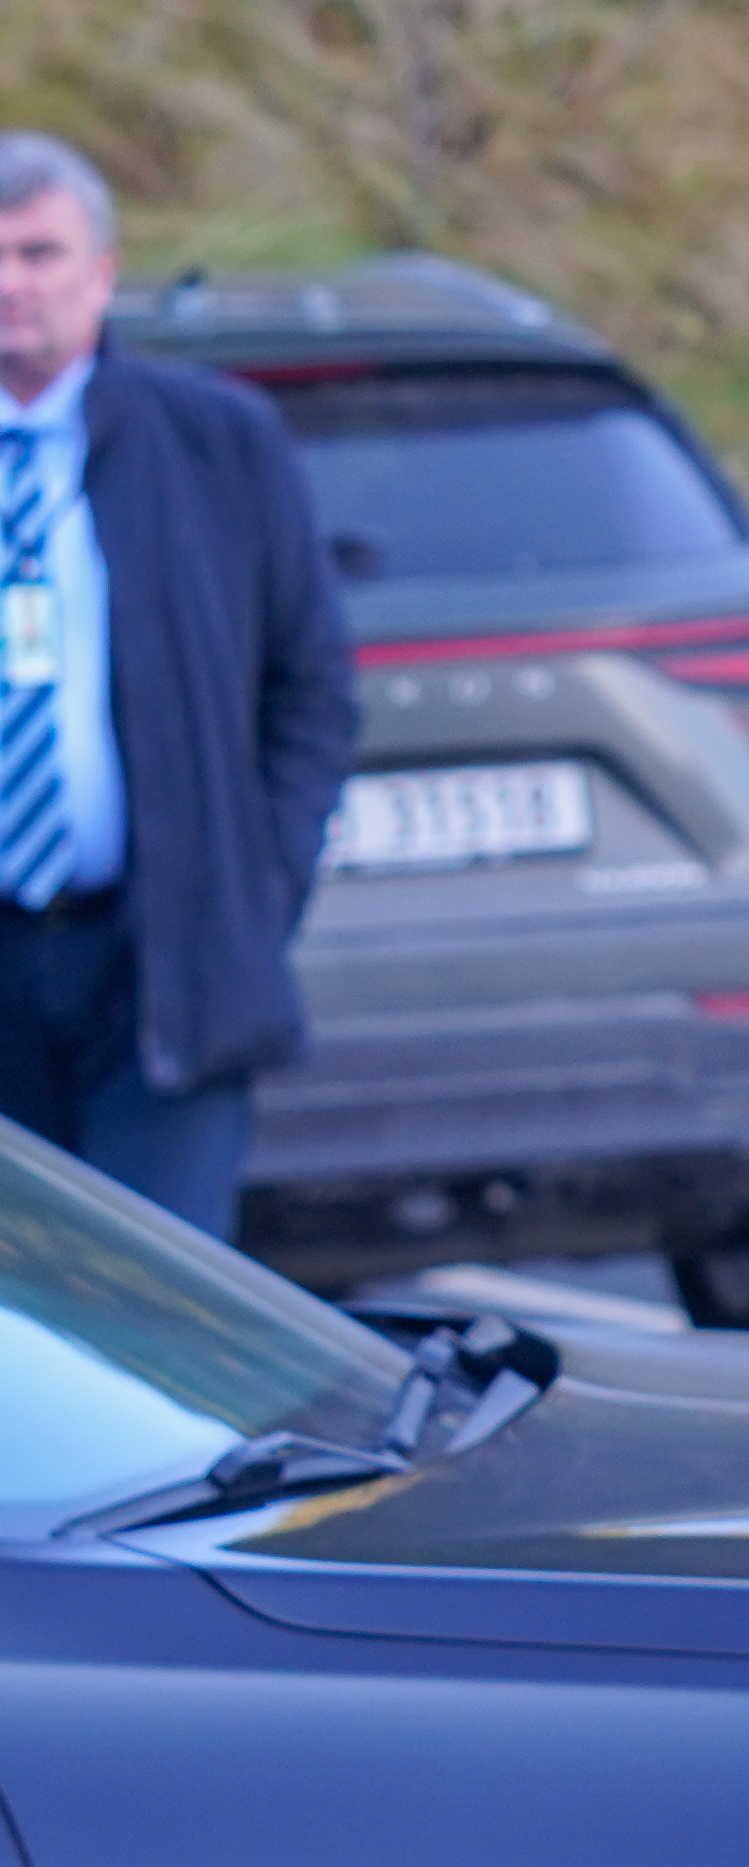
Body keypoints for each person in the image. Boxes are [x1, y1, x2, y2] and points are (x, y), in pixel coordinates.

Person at [0, 134, 354, 1241]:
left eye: (39, 252)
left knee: (156, 1318)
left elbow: (311, 691)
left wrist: (254, 890)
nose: (11, 283)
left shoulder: (211, 440)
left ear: (101, 272)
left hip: (160, 964)